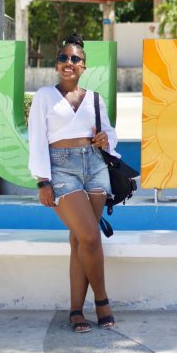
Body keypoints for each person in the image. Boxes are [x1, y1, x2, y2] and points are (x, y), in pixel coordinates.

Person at [28, 33, 117, 333]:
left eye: (75, 59)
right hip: (61, 168)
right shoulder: (44, 96)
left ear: (84, 66)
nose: (68, 63)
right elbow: (37, 139)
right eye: (63, 58)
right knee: (90, 237)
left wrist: (106, 139)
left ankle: (76, 310)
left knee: (80, 240)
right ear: (57, 65)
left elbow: (110, 134)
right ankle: (102, 301)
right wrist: (43, 181)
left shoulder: (94, 98)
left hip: (94, 165)